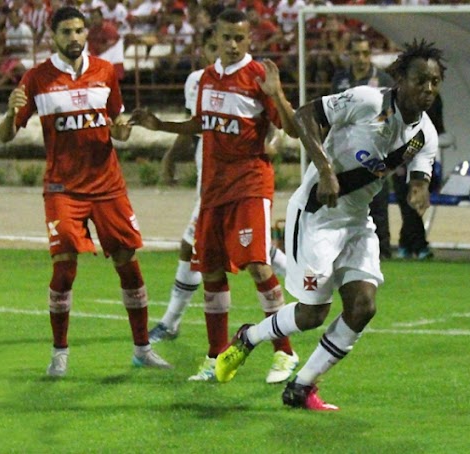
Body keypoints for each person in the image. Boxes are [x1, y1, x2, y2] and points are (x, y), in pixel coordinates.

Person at [215, 40, 443, 410]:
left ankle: (302, 386)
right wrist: (325, 170)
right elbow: (306, 116)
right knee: (311, 315)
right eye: (421, 80)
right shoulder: (367, 101)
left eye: (434, 82)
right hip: (317, 215)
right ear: (400, 78)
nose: (428, 89)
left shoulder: (424, 135)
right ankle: (248, 337)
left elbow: (419, 178)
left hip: (356, 221)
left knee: (363, 306)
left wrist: (420, 194)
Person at [0, 6, 171, 377]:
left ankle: (142, 348)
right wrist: (8, 113)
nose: (74, 38)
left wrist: (125, 127)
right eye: (66, 32)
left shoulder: (105, 72)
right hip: (63, 189)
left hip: (108, 186)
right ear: (53, 36)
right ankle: (59, 353)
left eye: (79, 31)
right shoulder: (36, 79)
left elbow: (115, 126)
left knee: (128, 262)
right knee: (64, 270)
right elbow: (6, 135)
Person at [129, 8, 300, 384]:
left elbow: (292, 130)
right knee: (210, 271)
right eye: (227, 38)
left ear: (249, 39)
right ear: (216, 40)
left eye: (240, 38)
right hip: (213, 189)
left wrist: (279, 96)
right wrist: (161, 126)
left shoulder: (258, 75)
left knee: (258, 265)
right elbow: (202, 123)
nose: (233, 44)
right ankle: (216, 357)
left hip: (250, 184)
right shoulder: (206, 78)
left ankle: (284, 353)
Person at [147, 27, 287, 346]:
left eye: (228, 42)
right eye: (214, 45)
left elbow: (271, 124)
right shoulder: (199, 80)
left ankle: (172, 321)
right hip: (209, 176)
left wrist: (274, 141)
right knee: (240, 254)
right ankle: (305, 285)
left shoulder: (251, 76)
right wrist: (170, 155)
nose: (221, 50)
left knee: (241, 255)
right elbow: (196, 124)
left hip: (237, 180)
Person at [331, 34, 395, 260]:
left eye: (365, 53)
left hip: (373, 151)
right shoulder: (340, 80)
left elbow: (392, 112)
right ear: (349, 55)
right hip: (346, 153)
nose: (361, 58)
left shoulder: (383, 79)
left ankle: (383, 253)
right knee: (346, 204)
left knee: (377, 203)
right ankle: (348, 252)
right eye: (356, 53)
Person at [392, 93, 452, 260]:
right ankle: (418, 246)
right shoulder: (397, 98)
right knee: (409, 204)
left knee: (411, 204)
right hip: (402, 160)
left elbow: (438, 130)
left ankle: (406, 244)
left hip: (423, 161)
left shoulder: (434, 99)